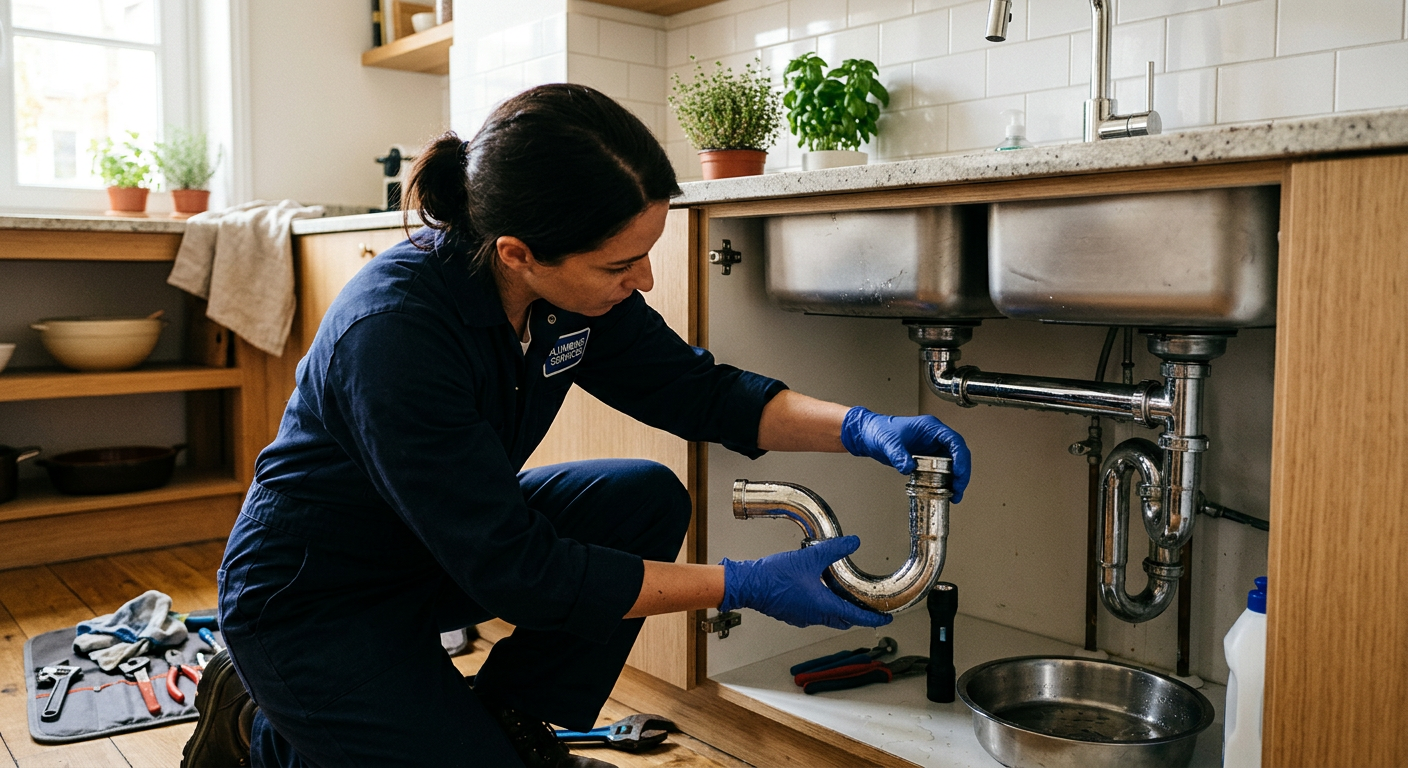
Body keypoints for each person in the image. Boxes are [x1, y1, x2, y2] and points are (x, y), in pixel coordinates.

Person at [182, 84, 971, 768]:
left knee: (641, 498)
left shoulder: (568, 298)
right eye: (619, 265)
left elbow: (700, 392)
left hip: (433, 553)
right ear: (519, 253)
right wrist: (747, 585)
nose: (645, 279)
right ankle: (264, 728)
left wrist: (867, 427)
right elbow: (516, 572)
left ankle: (509, 713)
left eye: (646, 253)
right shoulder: (393, 333)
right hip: (317, 599)